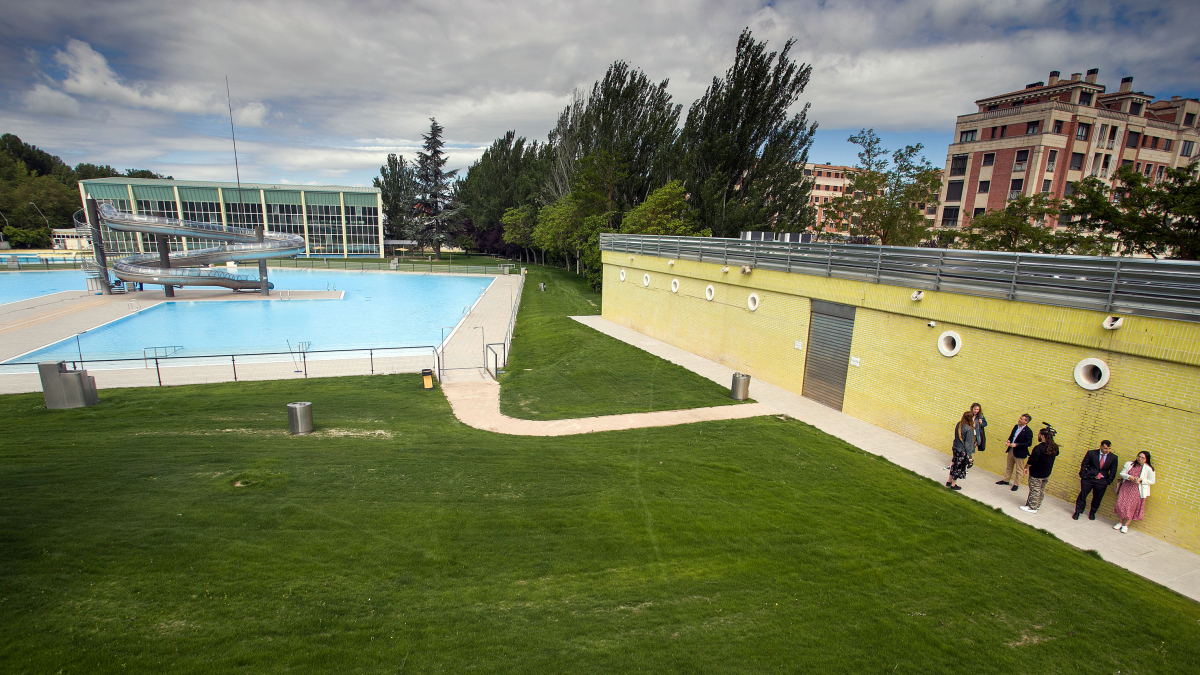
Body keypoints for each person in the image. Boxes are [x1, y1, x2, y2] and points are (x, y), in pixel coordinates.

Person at [1074, 440, 1119, 520]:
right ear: (1100, 446)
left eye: (1109, 448)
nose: (1107, 450)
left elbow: (1113, 470)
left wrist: (1108, 481)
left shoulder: (1113, 457)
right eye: (1105, 448)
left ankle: (1092, 513)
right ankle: (1078, 511)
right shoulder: (1091, 453)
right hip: (1088, 478)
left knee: (1097, 498)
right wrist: (1083, 475)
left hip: (1102, 481)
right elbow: (1084, 464)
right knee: (1083, 495)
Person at [1113, 451, 1156, 533]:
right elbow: (1122, 473)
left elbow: (1152, 481)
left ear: (1146, 459)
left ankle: (1126, 525)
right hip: (1126, 487)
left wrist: (1141, 480)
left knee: (1132, 507)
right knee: (1121, 504)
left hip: (1137, 490)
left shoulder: (1149, 469)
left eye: (1143, 458)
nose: (1140, 459)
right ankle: (1120, 522)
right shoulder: (1129, 464)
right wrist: (1129, 477)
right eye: (1139, 456)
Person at [1019, 425, 1058, 514]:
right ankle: (1037, 504)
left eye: (1039, 434)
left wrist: (1026, 467)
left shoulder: (1039, 448)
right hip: (1047, 472)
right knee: (1041, 489)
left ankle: (1032, 507)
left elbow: (1032, 459)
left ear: (1043, 436)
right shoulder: (1054, 447)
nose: (1038, 436)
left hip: (1037, 472)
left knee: (1035, 489)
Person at [996, 413, 1033, 491]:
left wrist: (1016, 445)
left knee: (1019, 469)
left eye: (1021, 419)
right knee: (1009, 466)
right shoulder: (1016, 427)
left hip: (1020, 452)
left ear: (1026, 421)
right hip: (1011, 450)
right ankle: (1006, 480)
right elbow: (1011, 436)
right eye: (1020, 418)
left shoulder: (1028, 431)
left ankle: (1016, 484)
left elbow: (1028, 443)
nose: (1019, 420)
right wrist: (1009, 441)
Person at [946, 410, 975, 491]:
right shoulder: (969, 429)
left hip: (955, 447)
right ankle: (953, 484)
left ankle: (949, 481)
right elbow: (968, 444)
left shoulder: (959, 424)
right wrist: (969, 456)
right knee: (958, 467)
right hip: (962, 450)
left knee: (953, 464)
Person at [971, 403, 987, 467]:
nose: (976, 411)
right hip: (969, 433)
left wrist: (981, 422)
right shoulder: (969, 415)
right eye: (975, 409)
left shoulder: (981, 416)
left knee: (970, 450)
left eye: (977, 409)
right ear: (972, 409)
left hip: (975, 436)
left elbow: (985, 424)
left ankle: (966, 464)